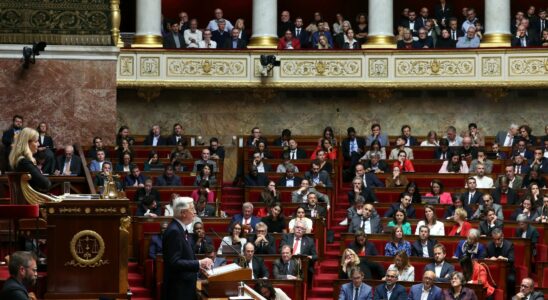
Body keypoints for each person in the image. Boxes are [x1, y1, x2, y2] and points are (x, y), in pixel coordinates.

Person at [161, 197, 213, 300]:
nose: (195, 212)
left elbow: (184, 256)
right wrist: (199, 263)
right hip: (178, 290)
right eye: (192, 209)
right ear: (183, 213)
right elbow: (174, 262)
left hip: (184, 286)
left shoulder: (180, 228)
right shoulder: (174, 231)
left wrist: (197, 266)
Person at [8, 127, 51, 191]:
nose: (38, 144)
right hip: (30, 200)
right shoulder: (24, 162)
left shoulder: (19, 160)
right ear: (27, 143)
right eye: (36, 141)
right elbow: (45, 184)